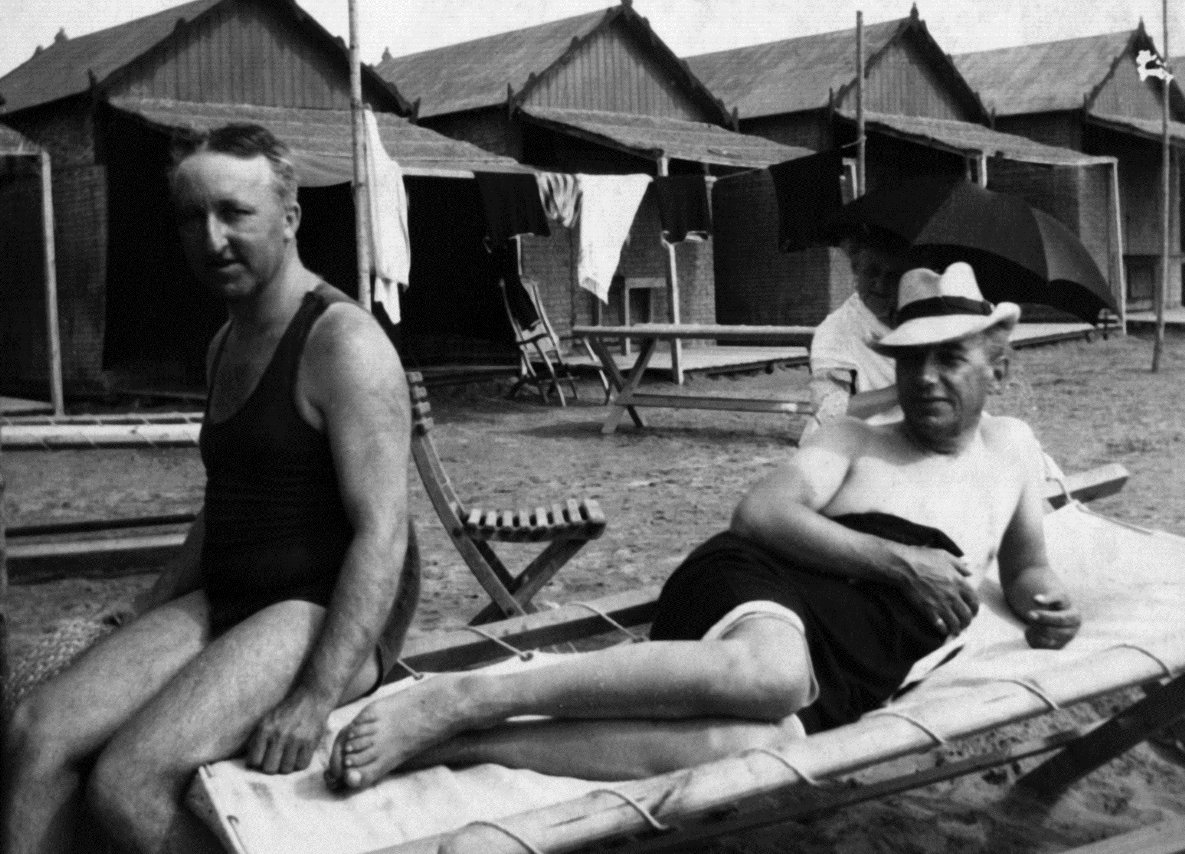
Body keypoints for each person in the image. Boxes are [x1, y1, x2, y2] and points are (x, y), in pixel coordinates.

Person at [324, 262, 1081, 789]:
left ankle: (463, 745)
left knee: (760, 740)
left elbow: (1025, 565)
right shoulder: (856, 439)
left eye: (948, 358)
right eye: (910, 360)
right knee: (773, 675)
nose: (924, 378)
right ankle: (470, 697)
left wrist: (1045, 600)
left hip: (857, 660)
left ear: (998, 366)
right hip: (766, 588)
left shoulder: (1014, 450)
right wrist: (898, 561)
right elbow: (758, 514)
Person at [2, 125, 419, 854]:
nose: (212, 239)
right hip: (234, 593)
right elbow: (226, 503)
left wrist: (315, 697)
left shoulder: (342, 343)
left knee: (126, 782)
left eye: (234, 213)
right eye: (192, 218)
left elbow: (383, 533)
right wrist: (147, 607)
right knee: (36, 733)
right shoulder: (226, 343)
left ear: (289, 218)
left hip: (320, 611)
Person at [809, 226, 909, 427]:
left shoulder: (922, 317)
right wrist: (906, 389)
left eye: (893, 276)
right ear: (856, 271)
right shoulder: (837, 330)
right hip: (862, 436)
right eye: (871, 272)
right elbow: (830, 411)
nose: (880, 285)